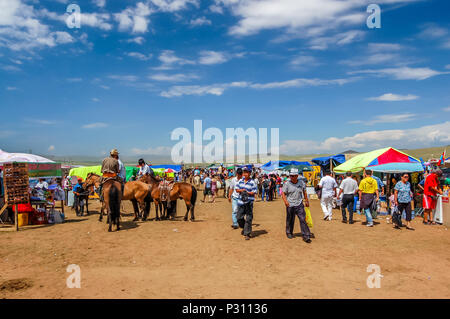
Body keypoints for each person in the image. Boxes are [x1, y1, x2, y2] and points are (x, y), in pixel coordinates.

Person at [281, 168, 311, 243]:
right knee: (290, 219)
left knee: (302, 219)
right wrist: (285, 201)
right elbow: (283, 193)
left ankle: (306, 235)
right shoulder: (287, 184)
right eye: (291, 176)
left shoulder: (301, 183)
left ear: (297, 176)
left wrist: (306, 200)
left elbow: (304, 192)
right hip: (290, 204)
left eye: (294, 176)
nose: (292, 177)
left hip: (299, 203)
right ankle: (289, 232)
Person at [235, 167, 258, 240]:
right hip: (240, 202)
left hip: (249, 202)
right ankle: (245, 228)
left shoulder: (252, 182)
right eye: (244, 172)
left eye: (247, 172)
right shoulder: (240, 181)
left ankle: (247, 233)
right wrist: (242, 190)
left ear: (250, 173)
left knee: (248, 218)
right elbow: (236, 189)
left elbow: (254, 192)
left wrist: (248, 193)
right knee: (239, 217)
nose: (245, 174)